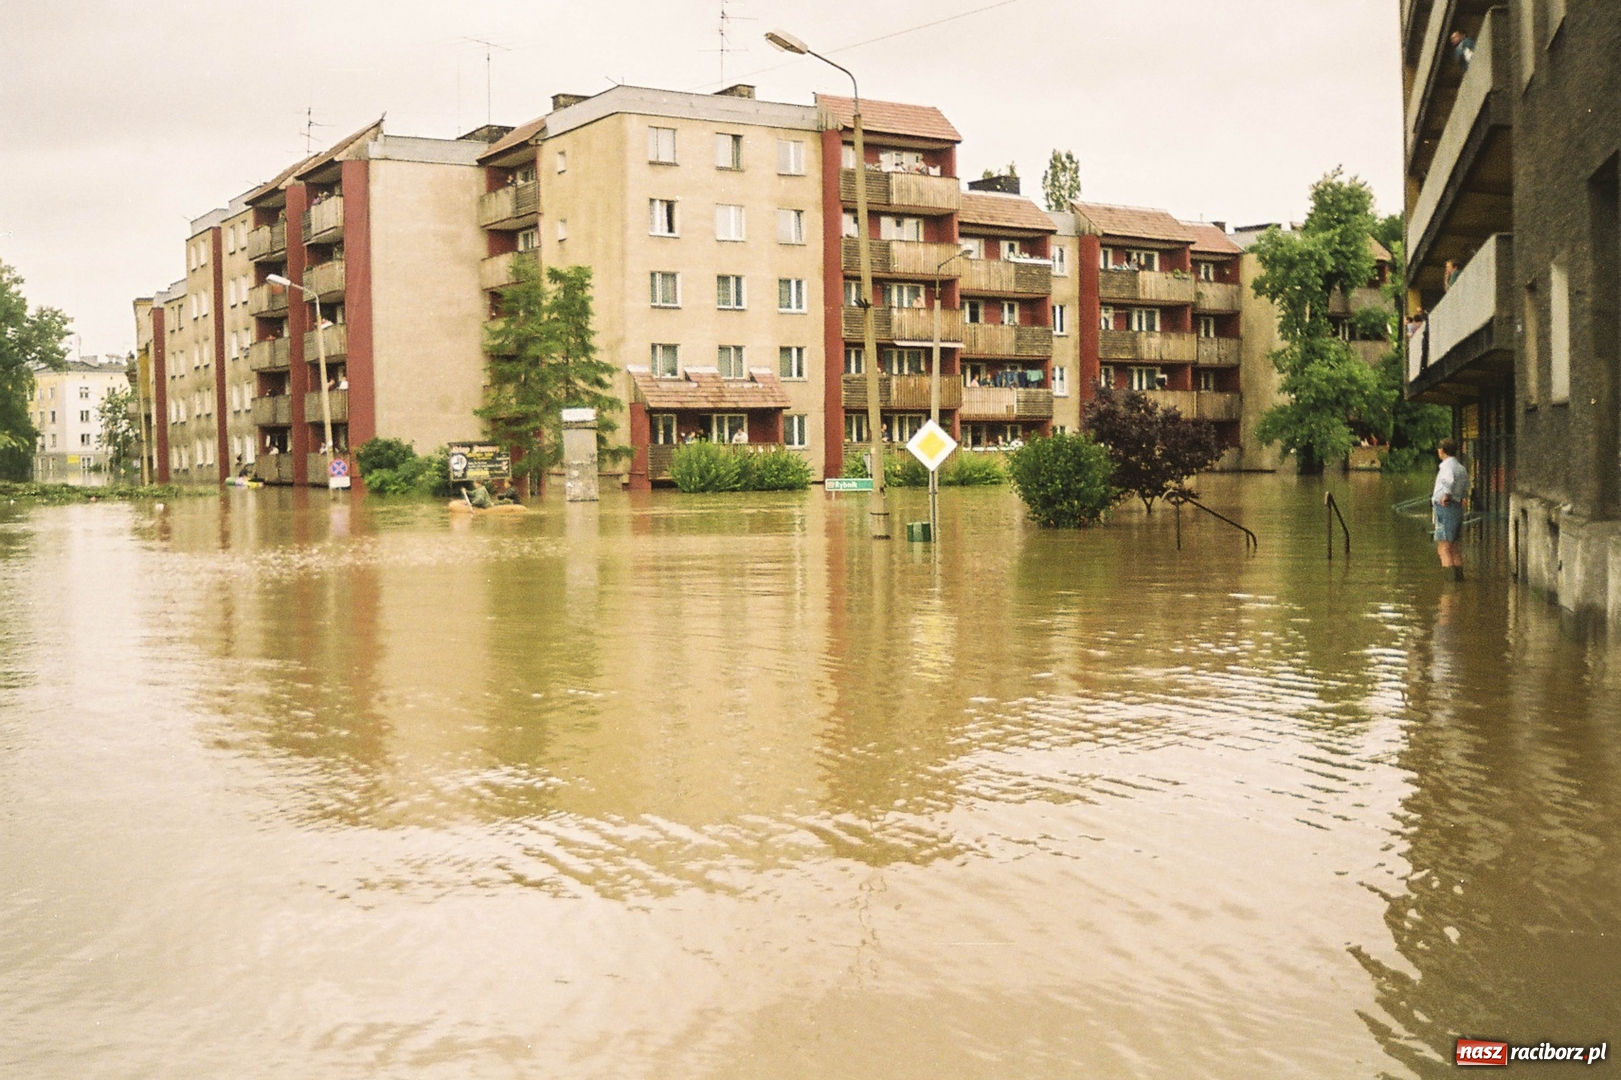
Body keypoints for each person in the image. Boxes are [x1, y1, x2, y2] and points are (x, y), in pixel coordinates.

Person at [1432, 438, 1469, 581]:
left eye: (1439, 449)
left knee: (1443, 548)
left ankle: (1449, 587)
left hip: (1446, 507)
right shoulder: (1461, 467)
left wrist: (1446, 495)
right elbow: (1466, 486)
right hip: (1457, 507)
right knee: (1454, 547)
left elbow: (1448, 480)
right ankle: (1459, 583)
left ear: (1442, 450)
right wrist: (1462, 497)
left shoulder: (1446, 466)